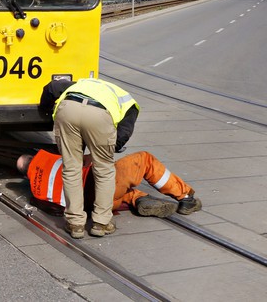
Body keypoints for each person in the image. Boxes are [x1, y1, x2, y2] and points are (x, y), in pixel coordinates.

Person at [40, 78, 139, 239]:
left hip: (68, 110)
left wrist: (46, 109)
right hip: (99, 116)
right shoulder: (128, 103)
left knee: (71, 169)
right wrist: (101, 152)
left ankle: (75, 223)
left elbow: (51, 87)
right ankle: (101, 223)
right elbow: (123, 134)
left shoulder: (80, 84)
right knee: (104, 171)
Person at [17, 149, 202, 221]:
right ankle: (186, 197)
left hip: (97, 204)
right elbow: (87, 160)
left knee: (123, 191)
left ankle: (138, 199)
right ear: (33, 159)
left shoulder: (36, 191)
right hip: (100, 185)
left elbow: (59, 208)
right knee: (144, 159)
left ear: (27, 174)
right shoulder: (50, 160)